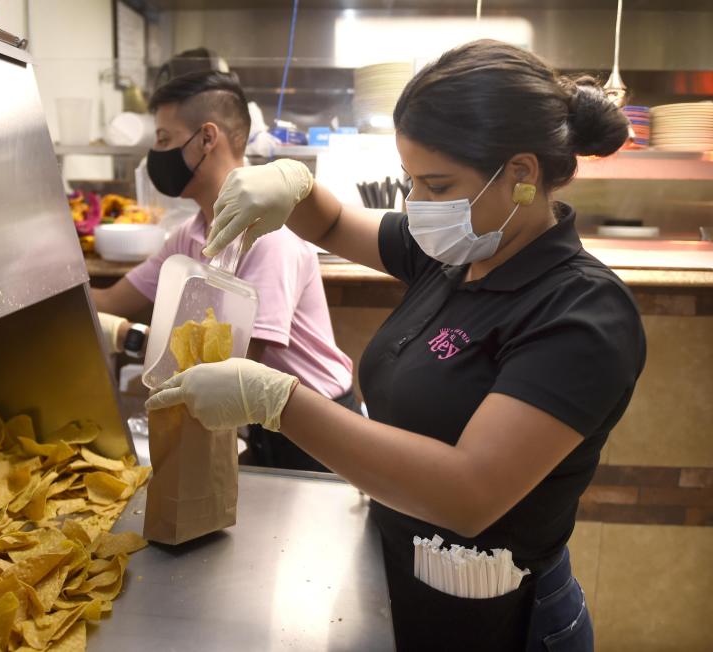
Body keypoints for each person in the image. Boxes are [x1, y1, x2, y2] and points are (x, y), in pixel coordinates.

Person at [145, 40, 645, 651]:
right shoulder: (458, 251)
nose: (417, 206)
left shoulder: (582, 314)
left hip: (502, 614)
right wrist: (291, 185)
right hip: (398, 573)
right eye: (410, 180)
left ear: (520, 173)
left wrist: (279, 400)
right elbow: (330, 224)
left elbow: (468, 494)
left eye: (436, 184)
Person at [91, 70, 356, 472]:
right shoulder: (190, 233)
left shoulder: (269, 236)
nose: (156, 155)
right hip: (260, 416)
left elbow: (237, 363)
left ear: (206, 139)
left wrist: (129, 337)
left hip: (315, 423)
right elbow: (111, 301)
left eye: (164, 139)